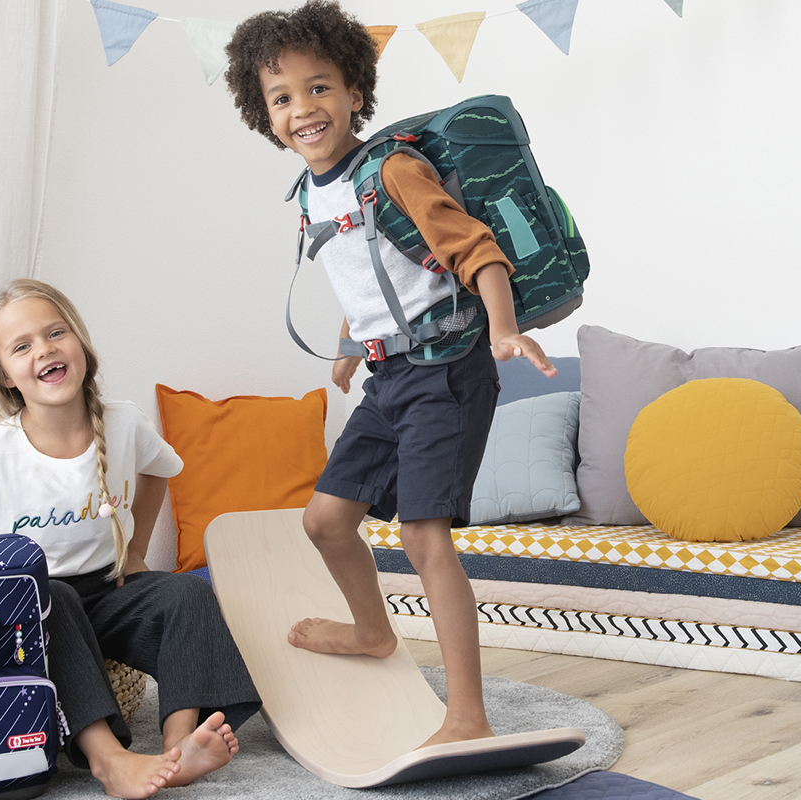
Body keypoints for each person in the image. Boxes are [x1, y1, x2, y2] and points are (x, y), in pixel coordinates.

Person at [225, 1, 557, 750]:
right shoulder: (312, 193)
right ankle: (374, 633)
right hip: (388, 378)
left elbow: (476, 253)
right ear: (263, 113)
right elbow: (370, 281)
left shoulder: (394, 169)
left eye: (319, 88)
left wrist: (502, 331)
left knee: (421, 534)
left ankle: (467, 713)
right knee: (325, 521)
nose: (303, 109)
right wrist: (350, 346)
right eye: (282, 97)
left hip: (446, 372)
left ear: (352, 92)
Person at [0, 279, 261, 799]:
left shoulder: (121, 422)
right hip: (36, 609)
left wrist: (135, 555)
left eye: (55, 333)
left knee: (187, 591)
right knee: (56, 595)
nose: (44, 349)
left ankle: (177, 744)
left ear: (81, 346)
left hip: (107, 592)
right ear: (6, 376)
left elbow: (161, 470)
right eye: (22, 346)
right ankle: (108, 758)